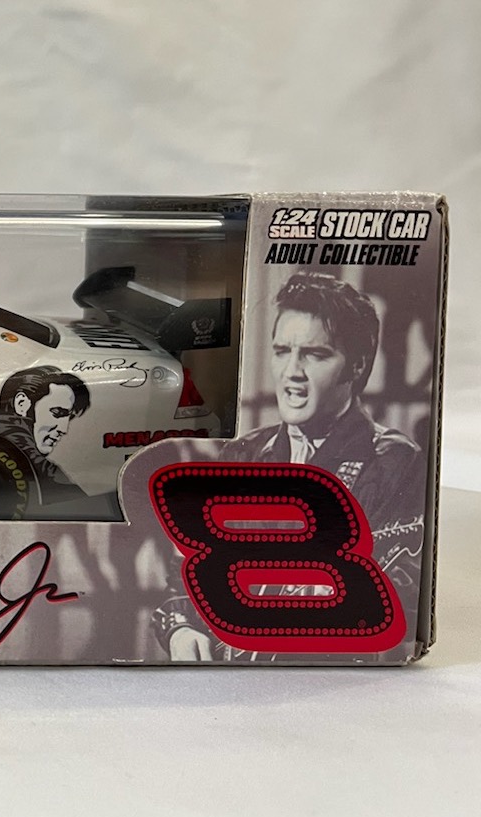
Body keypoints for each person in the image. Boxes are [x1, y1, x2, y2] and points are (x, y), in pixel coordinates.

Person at [157, 271, 426, 661]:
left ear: (356, 365)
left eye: (315, 354)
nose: (291, 373)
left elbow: (401, 593)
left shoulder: (394, 461)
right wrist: (181, 629)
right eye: (282, 351)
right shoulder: (244, 454)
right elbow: (190, 569)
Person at [0, 365, 91, 506]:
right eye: (57, 413)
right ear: (22, 404)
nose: (63, 429)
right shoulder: (43, 472)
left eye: (69, 417)